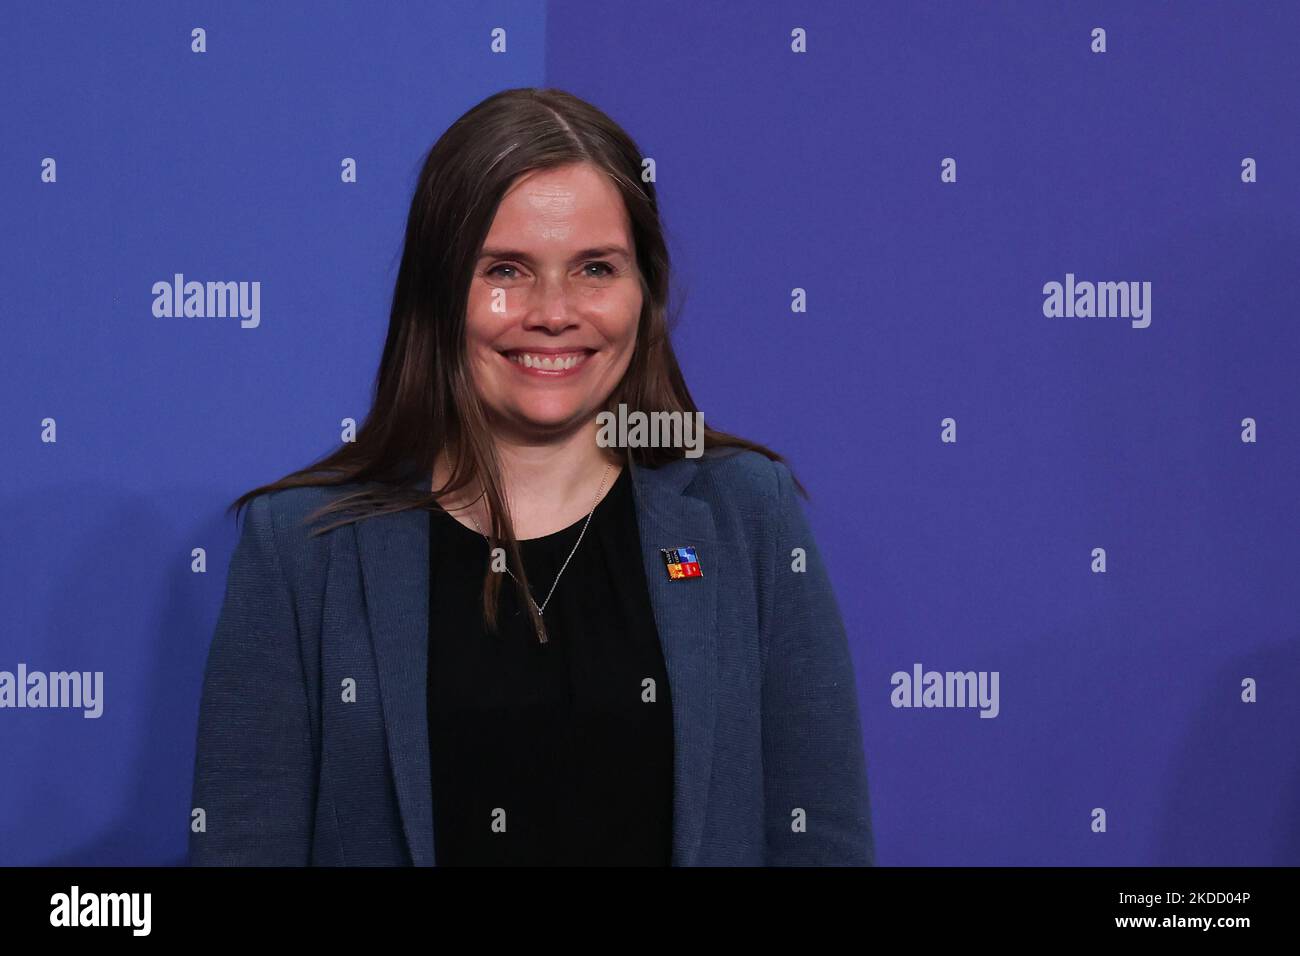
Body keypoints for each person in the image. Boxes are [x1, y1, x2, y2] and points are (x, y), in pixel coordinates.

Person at [188, 87, 874, 866]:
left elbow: (822, 843)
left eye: (594, 268)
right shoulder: (303, 549)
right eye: (506, 269)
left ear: (643, 291)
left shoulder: (746, 513)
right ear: (439, 291)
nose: (553, 312)